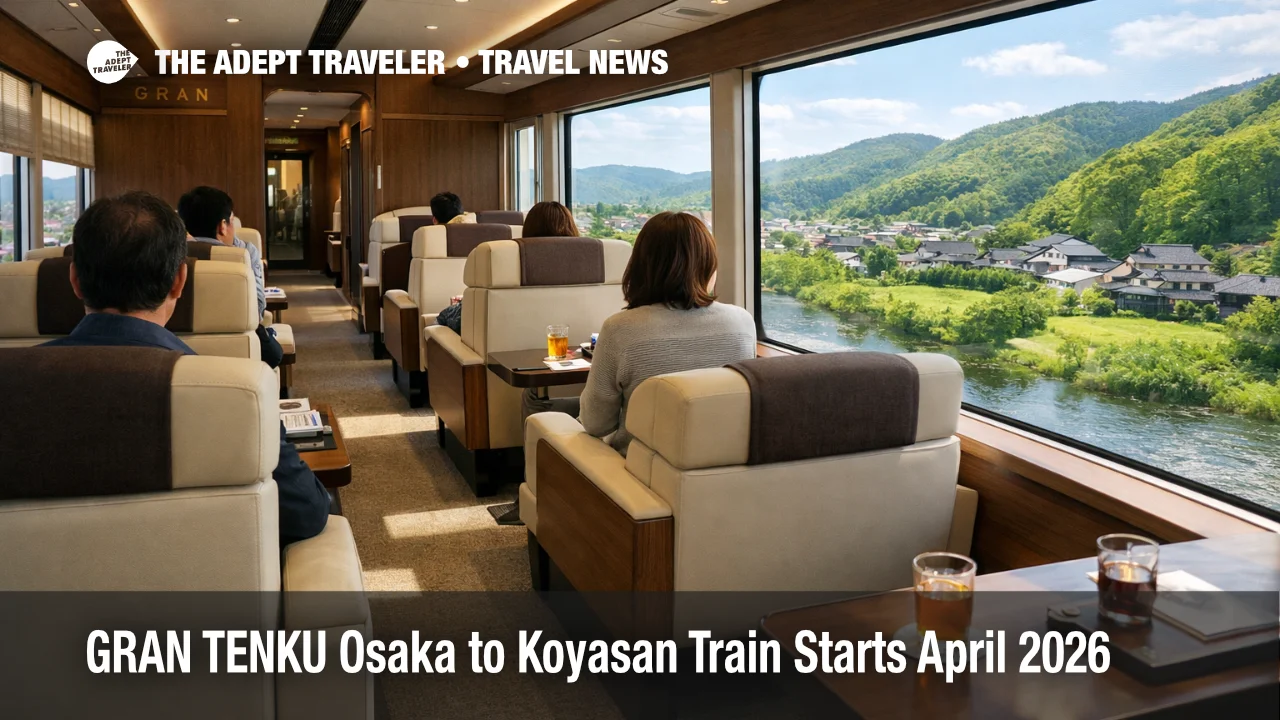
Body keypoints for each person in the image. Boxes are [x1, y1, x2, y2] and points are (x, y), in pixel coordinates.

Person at [43, 191, 330, 546]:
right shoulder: (235, 394)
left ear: (74, 280)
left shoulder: (13, 387)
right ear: (180, 281)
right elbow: (306, 512)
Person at [576, 212, 757, 456]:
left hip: (639, 474)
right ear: (708, 266)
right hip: (720, 464)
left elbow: (596, 424)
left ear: (640, 267)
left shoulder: (619, 329)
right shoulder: (743, 323)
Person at [178, 186, 283, 368]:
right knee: (275, 353)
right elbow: (257, 311)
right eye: (232, 221)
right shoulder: (244, 253)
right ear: (223, 226)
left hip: (179, 344)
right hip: (243, 343)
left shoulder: (171, 252)